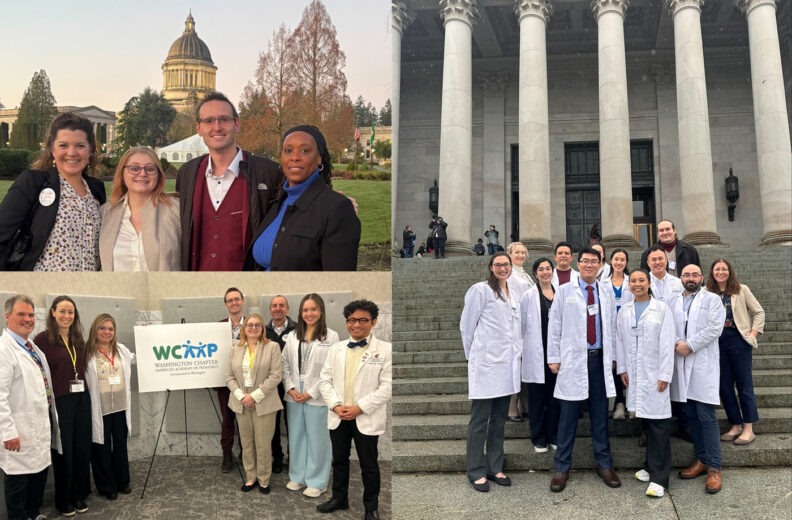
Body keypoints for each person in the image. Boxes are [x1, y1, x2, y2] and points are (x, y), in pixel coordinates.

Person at [176, 92, 282, 271]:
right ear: (198, 128)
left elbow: (294, 208)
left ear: (237, 124)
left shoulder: (268, 172)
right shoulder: (188, 173)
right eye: (208, 121)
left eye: (224, 119)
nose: (217, 127)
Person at [547, 247, 620, 492]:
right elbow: (554, 325)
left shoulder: (606, 291)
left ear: (601, 265)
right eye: (585, 261)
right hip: (573, 361)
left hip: (599, 360)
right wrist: (554, 357)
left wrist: (613, 357)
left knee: (600, 416)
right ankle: (561, 468)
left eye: (594, 261)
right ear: (578, 264)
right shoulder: (565, 291)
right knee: (568, 417)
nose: (589, 265)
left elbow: (612, 326)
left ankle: (604, 464)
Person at [0, 112, 106, 271]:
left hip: (86, 289)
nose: (72, 153)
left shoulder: (96, 189)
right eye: (63, 145)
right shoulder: (33, 182)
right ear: (52, 149)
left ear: (91, 150)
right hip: (39, 287)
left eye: (80, 145)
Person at [249, 125, 360, 271]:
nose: (295, 157)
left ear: (319, 158)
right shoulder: (278, 202)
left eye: (305, 151)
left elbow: (339, 277)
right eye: (288, 150)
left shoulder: (337, 208)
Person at [317, 300, 391, 520]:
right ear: (346, 322)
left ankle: (371, 508)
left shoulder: (386, 350)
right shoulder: (336, 348)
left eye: (362, 320)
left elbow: (387, 387)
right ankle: (339, 498)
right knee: (339, 460)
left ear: (373, 322)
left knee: (369, 465)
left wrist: (360, 408)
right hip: (339, 415)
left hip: (365, 416)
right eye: (352, 320)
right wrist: (336, 405)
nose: (356, 325)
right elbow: (324, 381)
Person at [459, 252, 521, 492]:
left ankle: (495, 467)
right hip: (485, 364)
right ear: (491, 267)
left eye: (506, 264)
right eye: (498, 265)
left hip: (506, 365)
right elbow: (467, 325)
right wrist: (472, 356)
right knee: (479, 420)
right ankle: (475, 470)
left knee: (499, 420)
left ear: (511, 267)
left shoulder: (513, 294)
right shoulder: (481, 290)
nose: (502, 268)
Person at [615, 269, 676, 498]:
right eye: (634, 281)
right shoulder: (625, 311)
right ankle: (650, 467)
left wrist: (665, 374)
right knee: (647, 422)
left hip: (655, 373)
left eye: (642, 280)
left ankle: (660, 479)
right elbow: (620, 340)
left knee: (659, 425)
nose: (637, 284)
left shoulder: (661, 308)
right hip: (635, 373)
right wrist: (622, 368)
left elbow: (667, 340)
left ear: (649, 283)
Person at [0, 295, 61, 520]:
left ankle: (33, 514)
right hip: (17, 430)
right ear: (7, 317)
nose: (28, 319)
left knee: (39, 474)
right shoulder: (4, 350)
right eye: (21, 314)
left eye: (30, 315)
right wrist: (7, 432)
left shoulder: (31, 346)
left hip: (38, 425)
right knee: (18, 481)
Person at [34, 296, 92, 516]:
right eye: (63, 311)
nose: (67, 316)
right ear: (53, 312)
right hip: (60, 401)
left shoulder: (78, 338)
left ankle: (79, 494)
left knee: (81, 448)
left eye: (71, 312)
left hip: (81, 398)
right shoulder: (42, 340)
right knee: (64, 451)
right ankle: (64, 500)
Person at [671, 264, 726, 494]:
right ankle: (701, 460)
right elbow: (669, 326)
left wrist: (690, 345)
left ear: (702, 277)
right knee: (691, 415)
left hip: (702, 364)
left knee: (706, 416)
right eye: (686, 275)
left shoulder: (712, 299)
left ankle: (714, 467)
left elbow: (715, 328)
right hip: (681, 364)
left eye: (694, 275)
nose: (690, 278)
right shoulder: (674, 301)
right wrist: (677, 343)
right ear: (681, 278)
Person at [282, 294, 340, 498]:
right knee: (297, 436)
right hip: (294, 393)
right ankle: (298, 477)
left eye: (313, 309)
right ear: (300, 312)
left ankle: (318, 481)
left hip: (318, 393)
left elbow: (331, 368)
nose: (309, 313)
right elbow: (285, 364)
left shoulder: (331, 337)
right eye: (305, 310)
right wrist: (290, 388)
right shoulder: (292, 336)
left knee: (318, 439)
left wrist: (311, 392)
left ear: (321, 311)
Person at [706, 258, 765, 445]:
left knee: (744, 385)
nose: (721, 272)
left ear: (729, 272)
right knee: (724, 386)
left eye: (724, 269)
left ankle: (749, 427)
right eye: (717, 269)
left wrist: (753, 332)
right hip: (717, 343)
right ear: (712, 272)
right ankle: (735, 424)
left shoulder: (741, 289)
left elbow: (759, 312)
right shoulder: (707, 292)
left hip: (739, 341)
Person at [99, 146, 181, 271]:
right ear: (122, 173)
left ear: (158, 174)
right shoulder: (105, 213)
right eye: (134, 168)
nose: (142, 173)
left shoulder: (176, 210)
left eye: (150, 169)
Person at [226, 314, 283, 494]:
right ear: (244, 328)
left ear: (262, 328)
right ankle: (251, 478)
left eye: (257, 324)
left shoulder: (272, 347)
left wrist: (255, 396)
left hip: (264, 401)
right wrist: (241, 396)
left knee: (263, 444)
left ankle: (264, 480)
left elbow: (276, 376)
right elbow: (229, 377)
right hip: (241, 401)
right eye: (250, 325)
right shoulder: (235, 349)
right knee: (247, 443)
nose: (253, 327)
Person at [84, 314, 135, 500]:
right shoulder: (87, 353)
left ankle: (123, 482)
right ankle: (107, 486)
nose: (107, 332)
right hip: (101, 408)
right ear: (95, 330)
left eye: (110, 329)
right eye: (102, 328)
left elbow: (135, 359)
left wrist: (147, 335)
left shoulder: (121, 349)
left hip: (120, 407)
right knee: (101, 448)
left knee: (120, 446)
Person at [521, 257, 560, 453]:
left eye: (548, 268)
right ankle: (538, 438)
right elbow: (522, 326)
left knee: (554, 399)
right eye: (541, 269)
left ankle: (553, 435)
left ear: (552, 271)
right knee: (537, 399)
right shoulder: (528, 295)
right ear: (535, 274)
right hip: (536, 353)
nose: (545, 272)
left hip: (556, 356)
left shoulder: (560, 293)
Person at [265, 295, 296, 473]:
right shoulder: (263, 331)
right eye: (274, 305)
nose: (278, 308)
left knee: (293, 423)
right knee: (273, 425)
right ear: (270, 310)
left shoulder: (297, 329)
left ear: (287, 308)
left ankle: (294, 456)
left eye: (281, 305)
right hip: (271, 387)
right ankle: (277, 457)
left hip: (292, 386)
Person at [217, 287, 246, 472]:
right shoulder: (217, 326)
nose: (234, 303)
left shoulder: (252, 324)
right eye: (230, 300)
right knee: (227, 420)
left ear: (242, 301)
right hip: (225, 383)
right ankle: (227, 455)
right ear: (226, 304)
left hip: (247, 383)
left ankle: (246, 453)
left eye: (236, 299)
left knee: (245, 420)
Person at [505, 241, 532, 422]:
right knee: (514, 367)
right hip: (515, 325)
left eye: (523, 253)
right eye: (517, 253)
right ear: (510, 254)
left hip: (526, 324)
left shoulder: (524, 274)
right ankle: (511, 409)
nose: (520, 255)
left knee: (523, 368)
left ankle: (524, 406)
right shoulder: (509, 274)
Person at [606, 248, 633, 421]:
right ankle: (619, 404)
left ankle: (632, 404)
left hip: (629, 330)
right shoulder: (603, 283)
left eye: (622, 260)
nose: (619, 262)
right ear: (611, 261)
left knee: (629, 365)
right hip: (610, 331)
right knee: (615, 366)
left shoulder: (632, 282)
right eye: (616, 259)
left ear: (626, 262)